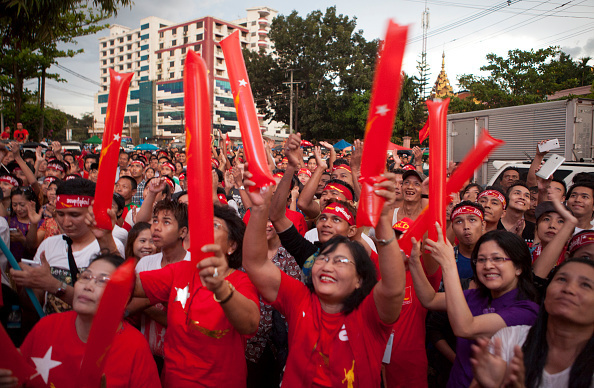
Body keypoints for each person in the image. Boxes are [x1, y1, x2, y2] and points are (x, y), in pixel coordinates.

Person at [241, 160, 406, 388]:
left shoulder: (370, 314)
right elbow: (256, 264)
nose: (327, 266)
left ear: (360, 279)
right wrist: (260, 210)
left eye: (340, 261)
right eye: (324, 259)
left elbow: (394, 288)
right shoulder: (299, 300)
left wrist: (384, 224)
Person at [132, 204, 260, 387]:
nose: (205, 229)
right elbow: (134, 285)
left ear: (231, 245)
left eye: (215, 225)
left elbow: (250, 324)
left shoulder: (241, 281)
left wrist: (221, 287)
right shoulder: (180, 270)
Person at [0, 253, 161, 388]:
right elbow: (19, 376)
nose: (88, 285)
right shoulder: (47, 326)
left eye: (102, 281)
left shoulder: (135, 347)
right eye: (85, 277)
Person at [408, 227, 539, 387]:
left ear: (519, 267)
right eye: (481, 260)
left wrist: (449, 264)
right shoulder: (476, 295)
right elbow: (430, 300)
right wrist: (414, 262)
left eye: (497, 259)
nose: (488, 266)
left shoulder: (526, 310)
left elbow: (465, 328)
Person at [470, 257, 594, 388]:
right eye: (561, 279)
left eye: (585, 285)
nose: (569, 289)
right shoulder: (510, 338)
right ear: (546, 295)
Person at [10, 179, 125, 315]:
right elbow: (31, 305)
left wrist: (53, 285)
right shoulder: (48, 245)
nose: (66, 223)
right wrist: (27, 283)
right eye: (60, 214)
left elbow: (110, 304)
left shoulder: (110, 246)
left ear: (92, 212)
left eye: (74, 215)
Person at [451, 201, 486, 280]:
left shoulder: (496, 257)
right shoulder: (446, 258)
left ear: (483, 225)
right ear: (452, 228)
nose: (466, 226)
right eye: (459, 221)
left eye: (472, 220)